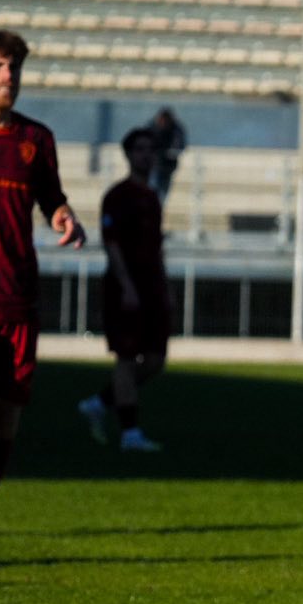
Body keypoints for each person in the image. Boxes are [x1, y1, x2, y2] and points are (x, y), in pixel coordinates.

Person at [0, 30, 86, 519]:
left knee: (5, 421)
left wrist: (63, 216)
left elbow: (51, 198)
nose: (9, 77)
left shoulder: (35, 139)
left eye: (15, 69)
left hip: (18, 300)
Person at [77, 128, 169, 452]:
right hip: (124, 289)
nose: (146, 155)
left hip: (152, 288)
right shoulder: (117, 196)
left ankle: (100, 403)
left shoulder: (152, 196)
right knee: (127, 359)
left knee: (156, 360)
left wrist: (163, 284)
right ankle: (130, 434)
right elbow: (111, 244)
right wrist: (126, 285)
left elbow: (156, 247)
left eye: (150, 149)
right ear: (128, 155)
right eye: (140, 149)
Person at [146, 108, 185, 204]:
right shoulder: (152, 128)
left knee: (162, 193)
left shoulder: (176, 130)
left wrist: (169, 153)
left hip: (167, 168)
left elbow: (179, 146)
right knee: (154, 190)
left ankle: (156, 210)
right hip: (155, 167)